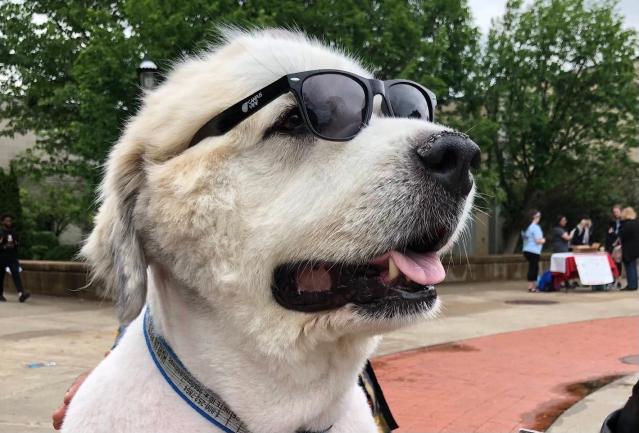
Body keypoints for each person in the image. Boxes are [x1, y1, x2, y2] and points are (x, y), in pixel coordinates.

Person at [0, 214, 30, 302]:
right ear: (2, 222)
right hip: (2, 256)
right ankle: (0, 294)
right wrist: (4, 247)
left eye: (10, 221)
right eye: (7, 221)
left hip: (12, 256)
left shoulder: (14, 232)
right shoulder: (0, 232)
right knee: (1, 276)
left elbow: (17, 244)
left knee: (16, 273)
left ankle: (21, 294)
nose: (9, 222)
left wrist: (14, 246)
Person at [522, 209, 545, 292]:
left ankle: (532, 286)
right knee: (534, 268)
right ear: (534, 217)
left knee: (532, 267)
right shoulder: (535, 227)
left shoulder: (526, 227)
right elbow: (538, 240)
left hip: (526, 250)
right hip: (534, 250)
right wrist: (543, 240)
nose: (539, 218)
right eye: (538, 216)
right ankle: (532, 286)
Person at [619, 207, 638, 291]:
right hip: (635, 247)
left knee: (629, 266)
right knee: (633, 266)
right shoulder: (636, 223)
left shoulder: (627, 224)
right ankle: (634, 285)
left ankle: (631, 285)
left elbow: (622, 235)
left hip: (628, 248)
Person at [606, 205, 623, 287]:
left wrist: (614, 233)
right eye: (614, 212)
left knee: (618, 262)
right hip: (612, 244)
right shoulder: (611, 222)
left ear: (621, 211)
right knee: (611, 262)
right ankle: (612, 280)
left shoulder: (624, 221)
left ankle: (619, 280)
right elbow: (609, 233)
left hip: (620, 245)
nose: (615, 214)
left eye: (617, 212)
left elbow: (621, 234)